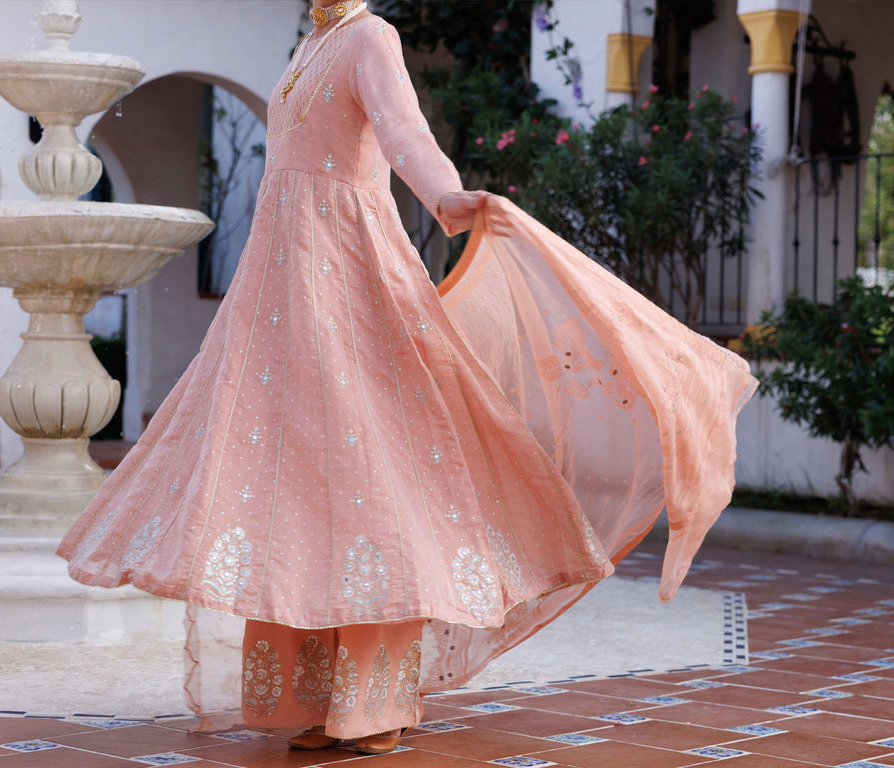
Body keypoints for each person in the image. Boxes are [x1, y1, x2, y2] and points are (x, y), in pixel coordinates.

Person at [57, 0, 756, 756]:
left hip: (350, 270)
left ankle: (375, 703)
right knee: (294, 488)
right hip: (283, 289)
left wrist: (444, 195)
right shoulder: (313, 43)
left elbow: (403, 129)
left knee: (375, 476)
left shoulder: (370, 36)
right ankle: (315, 700)